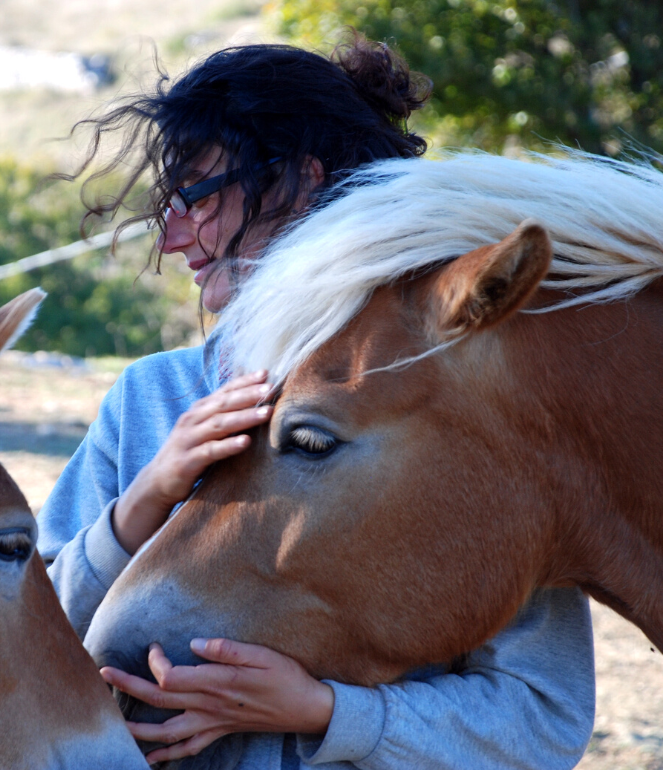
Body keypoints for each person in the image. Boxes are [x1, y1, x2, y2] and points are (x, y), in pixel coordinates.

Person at [38, 40, 595, 770]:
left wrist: (331, 713)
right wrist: (139, 505)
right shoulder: (148, 398)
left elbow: (545, 717)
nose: (172, 236)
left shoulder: (453, 414)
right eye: (167, 204)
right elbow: (21, 652)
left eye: (198, 193)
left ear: (302, 182)